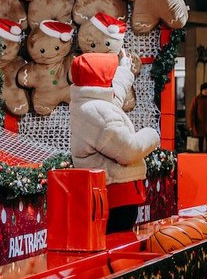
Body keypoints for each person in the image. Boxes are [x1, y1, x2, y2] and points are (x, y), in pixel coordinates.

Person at [69, 52, 160, 233]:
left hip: (112, 193)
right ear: (101, 80)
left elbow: (114, 96)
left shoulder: (89, 101)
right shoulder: (99, 113)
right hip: (115, 196)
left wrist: (124, 69)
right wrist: (152, 135)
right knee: (117, 243)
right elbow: (129, 151)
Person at [188, 82, 207, 153]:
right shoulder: (197, 99)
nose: (206, 91)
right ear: (201, 90)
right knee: (199, 143)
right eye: (204, 89)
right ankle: (200, 158)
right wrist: (192, 125)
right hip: (199, 125)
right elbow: (192, 113)